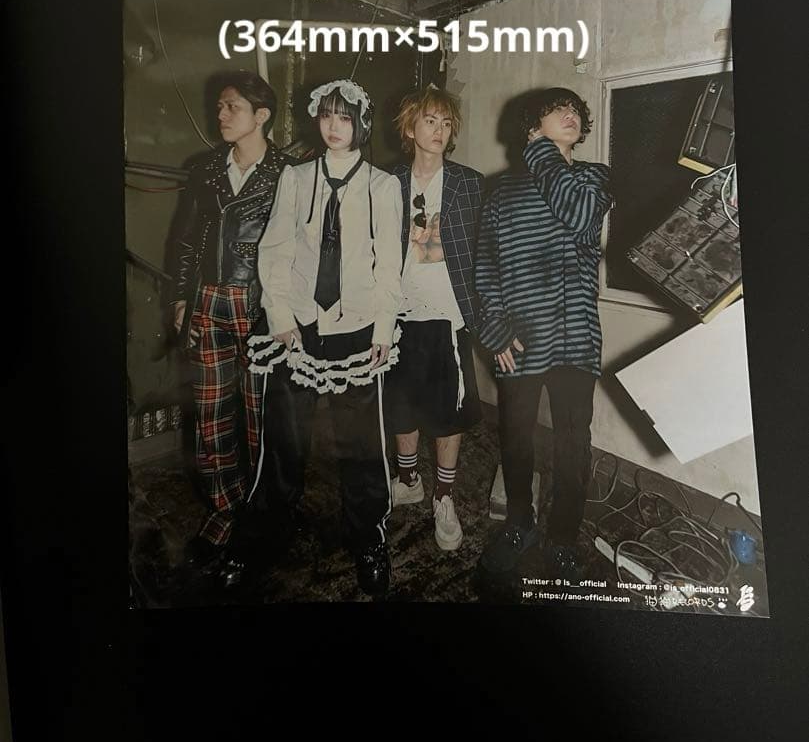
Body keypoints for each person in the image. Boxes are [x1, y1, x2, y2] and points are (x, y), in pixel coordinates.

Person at [248, 79, 403, 597]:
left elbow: (389, 265)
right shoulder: (294, 177)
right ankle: (271, 525)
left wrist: (383, 328)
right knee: (285, 435)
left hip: (356, 326)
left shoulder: (383, 186)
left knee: (361, 443)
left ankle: (368, 536)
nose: (334, 127)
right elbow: (274, 250)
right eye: (326, 116)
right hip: (298, 323)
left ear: (361, 124)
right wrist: (280, 316)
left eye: (345, 117)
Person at [475, 88, 612, 580]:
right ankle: (519, 523)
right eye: (558, 110)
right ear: (533, 126)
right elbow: (485, 265)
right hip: (520, 336)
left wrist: (543, 154)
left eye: (575, 110)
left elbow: (577, 215)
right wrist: (494, 330)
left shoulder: (593, 179)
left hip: (576, 336)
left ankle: (563, 537)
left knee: (573, 442)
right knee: (516, 437)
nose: (571, 114)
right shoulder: (500, 190)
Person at [170, 71, 292, 579]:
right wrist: (181, 299)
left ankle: (259, 517)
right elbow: (185, 239)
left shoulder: (288, 172)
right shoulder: (205, 170)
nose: (220, 115)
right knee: (211, 416)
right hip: (208, 303)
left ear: (261, 116)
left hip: (261, 306)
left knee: (261, 421)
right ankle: (224, 510)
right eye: (220, 107)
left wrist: (286, 315)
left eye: (232, 107)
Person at [384, 86, 482, 550]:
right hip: (397, 314)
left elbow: (484, 252)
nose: (440, 130)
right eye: (430, 121)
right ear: (410, 127)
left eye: (446, 123)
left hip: (448, 316)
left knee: (447, 414)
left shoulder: (468, 183)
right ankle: (408, 481)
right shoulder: (386, 182)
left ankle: (444, 496)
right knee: (400, 406)